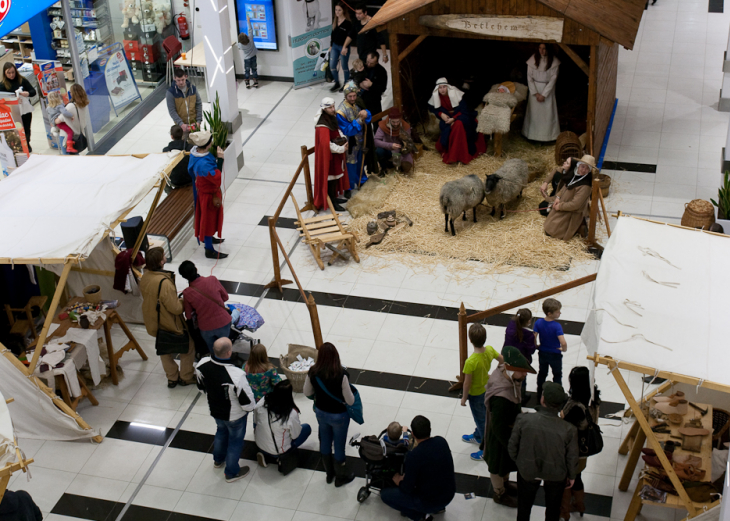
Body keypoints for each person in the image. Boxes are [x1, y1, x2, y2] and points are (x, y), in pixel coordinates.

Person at [508, 382, 579, 521]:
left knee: (524, 508)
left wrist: (521, 462)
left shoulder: (524, 419)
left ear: (542, 399)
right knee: (553, 510)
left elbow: (512, 447)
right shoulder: (569, 429)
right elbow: (572, 457)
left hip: (527, 470)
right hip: (556, 474)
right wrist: (571, 475)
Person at [483, 345, 536, 508]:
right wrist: (511, 445)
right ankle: (499, 493)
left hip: (509, 432)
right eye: (522, 371)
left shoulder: (508, 376)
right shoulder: (501, 397)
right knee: (497, 465)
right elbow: (498, 427)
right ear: (512, 370)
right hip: (501, 437)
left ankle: (505, 484)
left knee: (504, 464)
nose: (525, 374)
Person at [195, 337, 255, 483]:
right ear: (229, 352)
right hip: (235, 416)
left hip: (215, 410)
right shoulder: (236, 375)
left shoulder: (202, 365)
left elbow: (201, 387)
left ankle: (218, 460)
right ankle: (231, 472)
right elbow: (247, 403)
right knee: (235, 441)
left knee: (221, 432)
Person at [139, 247, 196, 388]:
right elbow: (175, 308)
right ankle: (186, 376)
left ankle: (172, 377)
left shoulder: (145, 277)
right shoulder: (164, 283)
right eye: (163, 255)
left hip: (153, 319)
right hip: (169, 321)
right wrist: (184, 300)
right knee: (188, 347)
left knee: (163, 348)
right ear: (160, 261)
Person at [381, 415, 455, 521]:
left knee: (385, 495)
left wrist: (399, 481)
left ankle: (420, 516)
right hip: (449, 494)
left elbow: (407, 488)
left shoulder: (414, 455)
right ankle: (439, 509)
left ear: (413, 434)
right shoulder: (441, 441)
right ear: (430, 430)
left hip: (428, 501)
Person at [303, 342, 356, 487]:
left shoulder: (313, 372)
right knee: (339, 446)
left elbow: (307, 392)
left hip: (321, 413)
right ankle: (340, 476)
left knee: (324, 441)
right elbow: (350, 401)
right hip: (339, 416)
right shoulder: (341, 374)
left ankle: (329, 473)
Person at [560, 367, 601, 520]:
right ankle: (580, 504)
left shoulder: (575, 407)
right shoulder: (594, 397)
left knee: (567, 480)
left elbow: (566, 428)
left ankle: (564, 511)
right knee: (577, 477)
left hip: (572, 452)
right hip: (585, 449)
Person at [460, 323, 502, 461]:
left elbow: (467, 383)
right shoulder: (489, 350)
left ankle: (486, 449)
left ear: (470, 340)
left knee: (481, 420)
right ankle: (478, 436)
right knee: (483, 416)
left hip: (475, 394)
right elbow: (502, 359)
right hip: (486, 389)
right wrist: (496, 373)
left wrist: (464, 398)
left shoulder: (471, 362)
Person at [253, 379, 312, 468]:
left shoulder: (262, 402)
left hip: (259, 443)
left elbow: (255, 422)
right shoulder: (290, 414)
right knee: (306, 428)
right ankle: (280, 458)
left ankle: (265, 454)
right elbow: (295, 435)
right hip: (278, 450)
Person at [188, 130, 227, 258]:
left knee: (208, 219)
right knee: (208, 220)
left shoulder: (196, 154)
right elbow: (216, 178)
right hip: (208, 196)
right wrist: (220, 160)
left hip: (204, 192)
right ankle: (209, 249)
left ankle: (208, 238)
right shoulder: (203, 164)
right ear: (208, 144)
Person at [179, 260, 232, 351]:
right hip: (223, 322)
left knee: (213, 350)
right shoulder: (212, 279)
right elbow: (225, 297)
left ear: (184, 277)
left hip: (206, 327)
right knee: (225, 349)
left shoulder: (187, 293)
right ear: (196, 269)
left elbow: (188, 316)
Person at [427, 78, 482, 165]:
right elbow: (433, 108)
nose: (442, 90)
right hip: (447, 119)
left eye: (444, 87)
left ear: (448, 87)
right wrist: (441, 114)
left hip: (461, 116)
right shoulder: (437, 97)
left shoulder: (456, 95)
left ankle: (458, 155)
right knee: (448, 129)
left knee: (459, 125)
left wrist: (454, 118)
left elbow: (464, 110)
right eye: (440, 88)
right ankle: (453, 153)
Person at [336, 81, 378, 191]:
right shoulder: (341, 111)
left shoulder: (357, 103)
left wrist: (366, 113)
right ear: (345, 96)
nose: (353, 98)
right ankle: (349, 187)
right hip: (350, 142)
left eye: (354, 95)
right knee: (350, 164)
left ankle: (361, 181)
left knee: (361, 162)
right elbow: (347, 130)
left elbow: (367, 116)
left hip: (361, 140)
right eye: (350, 96)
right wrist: (359, 120)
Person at [544, 155, 595, 241]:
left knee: (552, 232)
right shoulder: (576, 175)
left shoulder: (585, 186)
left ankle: (577, 228)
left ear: (589, 171)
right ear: (578, 165)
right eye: (582, 166)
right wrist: (558, 197)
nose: (583, 170)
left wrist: (560, 206)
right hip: (562, 204)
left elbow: (575, 205)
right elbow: (565, 187)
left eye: (587, 169)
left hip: (570, 212)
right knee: (548, 226)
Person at [314, 97, 349, 211]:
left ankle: (333, 197)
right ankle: (332, 202)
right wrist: (341, 149)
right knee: (330, 178)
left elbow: (336, 130)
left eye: (333, 106)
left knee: (334, 178)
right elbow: (326, 145)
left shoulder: (330, 118)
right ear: (324, 109)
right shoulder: (322, 125)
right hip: (329, 157)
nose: (333, 109)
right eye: (330, 107)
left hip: (335, 154)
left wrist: (343, 139)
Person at [522, 43, 561, 142]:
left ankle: (548, 137)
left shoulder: (554, 62)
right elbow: (529, 78)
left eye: (544, 48)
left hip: (547, 90)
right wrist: (535, 93)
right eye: (540, 48)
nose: (542, 51)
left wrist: (544, 94)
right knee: (534, 114)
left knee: (547, 115)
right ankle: (532, 136)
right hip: (535, 90)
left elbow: (553, 79)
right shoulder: (532, 60)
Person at [534, 298, 567, 402]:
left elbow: (534, 336)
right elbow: (563, 342)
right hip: (555, 354)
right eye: (557, 312)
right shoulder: (557, 326)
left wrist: (536, 346)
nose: (560, 313)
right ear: (550, 313)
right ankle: (558, 393)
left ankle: (539, 391)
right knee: (557, 374)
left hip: (543, 352)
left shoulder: (538, 322)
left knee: (542, 372)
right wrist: (564, 349)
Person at [503, 308, 537, 404]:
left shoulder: (510, 326)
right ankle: (521, 396)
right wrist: (534, 340)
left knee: (509, 376)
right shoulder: (529, 335)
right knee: (521, 379)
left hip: (508, 357)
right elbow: (531, 350)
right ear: (528, 321)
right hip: (521, 360)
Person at [0, 63, 35, 152]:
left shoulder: (22, 80)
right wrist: (13, 100)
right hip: (13, 112)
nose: (11, 75)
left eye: (13, 72)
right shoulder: (2, 85)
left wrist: (28, 93)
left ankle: (27, 144)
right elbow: (2, 100)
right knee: (17, 130)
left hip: (25, 110)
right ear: (5, 74)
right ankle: (19, 146)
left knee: (26, 128)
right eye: (9, 73)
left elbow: (33, 91)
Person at [374, 107, 415, 174]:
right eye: (393, 122)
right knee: (379, 151)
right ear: (389, 120)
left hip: (401, 151)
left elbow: (409, 143)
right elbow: (376, 141)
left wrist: (404, 144)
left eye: (397, 122)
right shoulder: (383, 125)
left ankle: (398, 165)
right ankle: (384, 169)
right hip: (388, 150)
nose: (396, 124)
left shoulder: (405, 126)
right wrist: (390, 145)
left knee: (406, 166)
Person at [166, 68, 203, 139]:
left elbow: (198, 104)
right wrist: (181, 124)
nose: (181, 82)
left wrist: (198, 121)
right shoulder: (170, 93)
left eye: (182, 80)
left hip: (194, 124)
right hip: (181, 127)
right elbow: (172, 111)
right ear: (174, 79)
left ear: (186, 77)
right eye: (178, 80)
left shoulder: (193, 89)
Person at [57, 84, 89, 155]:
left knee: (68, 158)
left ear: (73, 94)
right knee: (75, 155)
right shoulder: (84, 104)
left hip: (67, 136)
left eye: (70, 92)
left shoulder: (71, 106)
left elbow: (59, 120)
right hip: (78, 133)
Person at [329, 3, 352, 92]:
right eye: (336, 10)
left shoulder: (348, 23)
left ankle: (346, 84)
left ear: (343, 11)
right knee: (332, 65)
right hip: (335, 46)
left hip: (343, 47)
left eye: (339, 10)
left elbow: (349, 37)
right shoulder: (335, 21)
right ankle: (337, 82)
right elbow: (333, 35)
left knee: (344, 66)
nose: (337, 12)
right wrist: (331, 46)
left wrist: (345, 47)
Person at [162, 125, 193, 189]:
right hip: (190, 178)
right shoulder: (190, 147)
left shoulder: (166, 150)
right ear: (182, 135)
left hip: (175, 181)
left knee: (163, 180)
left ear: (171, 136)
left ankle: (170, 194)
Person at [237, 15, 259, 89]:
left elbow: (239, 47)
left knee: (247, 71)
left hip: (246, 59)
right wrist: (248, 21)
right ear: (247, 37)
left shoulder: (240, 45)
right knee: (254, 70)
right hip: (253, 57)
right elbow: (250, 30)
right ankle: (255, 82)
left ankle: (247, 83)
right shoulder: (251, 40)